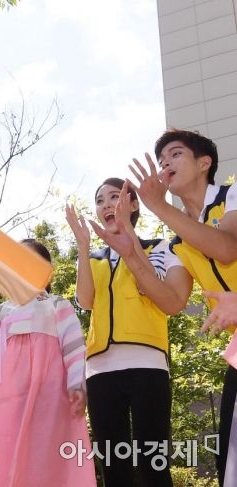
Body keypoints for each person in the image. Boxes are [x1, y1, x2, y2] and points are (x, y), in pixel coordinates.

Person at [128, 129, 237, 484]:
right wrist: (130, 251)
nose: (165, 164)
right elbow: (172, 301)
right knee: (230, 461)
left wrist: (157, 205)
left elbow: (225, 249)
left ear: (204, 163)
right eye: (161, 160)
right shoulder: (177, 243)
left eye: (175, 155)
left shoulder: (231, 194)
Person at [66, 177, 189, 486]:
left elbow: (160, 291)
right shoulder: (94, 258)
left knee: (153, 462)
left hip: (147, 363)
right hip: (100, 369)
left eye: (115, 197)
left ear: (134, 205)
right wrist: (83, 247)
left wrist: (129, 241)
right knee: (113, 465)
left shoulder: (160, 247)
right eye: (100, 200)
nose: (107, 204)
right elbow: (85, 300)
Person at [0, 239, 95, 487]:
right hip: (5, 397)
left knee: (43, 453)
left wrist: (77, 385)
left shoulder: (57, 305)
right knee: (3, 451)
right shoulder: (0, 312)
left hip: (49, 395)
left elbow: (74, 348)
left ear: (46, 271)